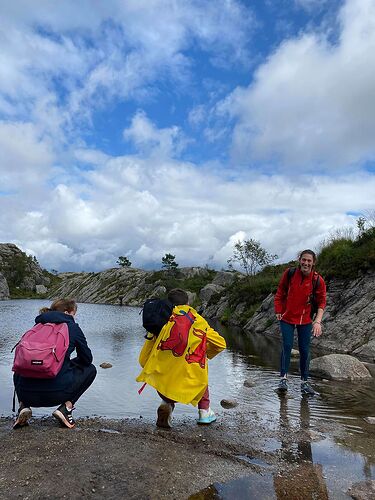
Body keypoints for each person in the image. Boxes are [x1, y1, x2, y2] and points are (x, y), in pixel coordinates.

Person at [136, 288, 226, 428]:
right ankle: (204, 412)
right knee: (200, 375)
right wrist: (204, 353)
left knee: (165, 380)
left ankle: (167, 405)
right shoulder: (198, 320)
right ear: (188, 302)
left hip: (165, 375)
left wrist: (150, 367)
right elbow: (221, 344)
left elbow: (144, 358)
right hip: (190, 373)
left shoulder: (163, 319)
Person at [13, 298, 96, 429]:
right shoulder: (72, 327)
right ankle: (66, 408)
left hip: (26, 393)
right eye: (74, 314)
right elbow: (87, 359)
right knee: (91, 369)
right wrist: (69, 363)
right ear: (68, 313)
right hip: (57, 393)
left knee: (19, 366)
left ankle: (23, 407)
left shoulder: (36, 327)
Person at [274, 250, 326, 395]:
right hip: (287, 318)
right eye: (304, 260)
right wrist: (278, 309)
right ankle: (283, 379)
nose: (306, 263)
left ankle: (304, 382)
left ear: (313, 262)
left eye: (309, 261)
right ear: (299, 260)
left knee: (304, 350)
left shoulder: (318, 280)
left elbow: (322, 302)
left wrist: (318, 321)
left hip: (306, 320)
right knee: (287, 345)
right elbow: (280, 292)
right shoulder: (289, 273)